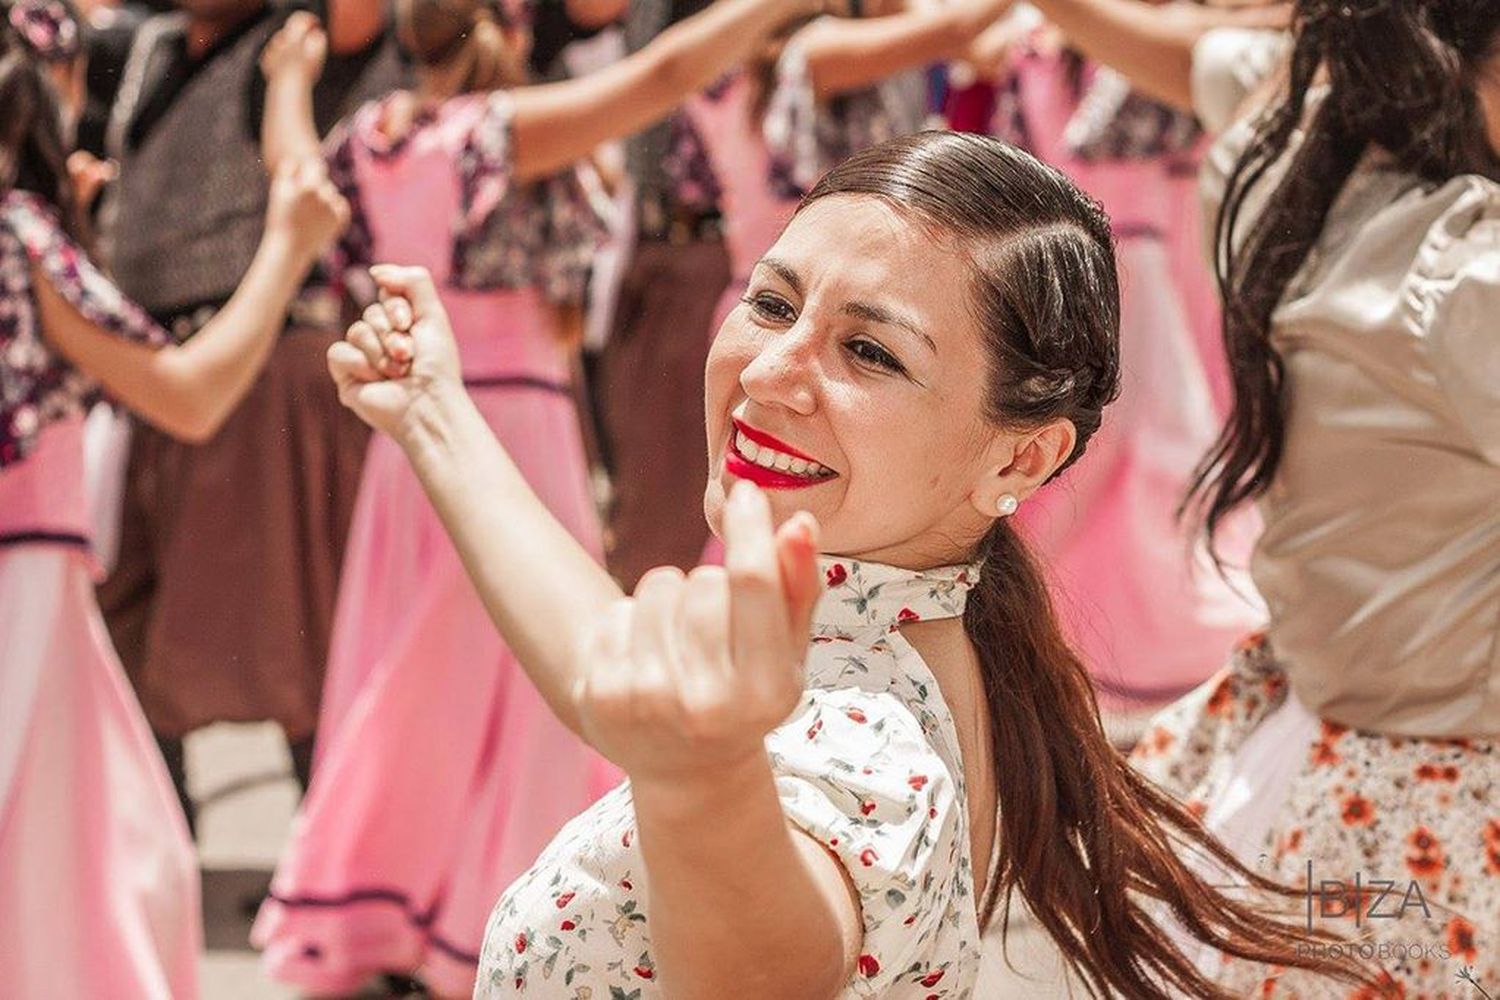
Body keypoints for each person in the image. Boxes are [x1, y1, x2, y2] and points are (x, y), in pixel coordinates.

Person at [330, 131, 1371, 999]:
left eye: (870, 352)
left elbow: (772, 971)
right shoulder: (891, 614)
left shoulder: (864, 743)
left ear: (1021, 454)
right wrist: (433, 412)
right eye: (774, 304)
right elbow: (608, 660)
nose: (771, 372)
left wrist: (703, 779)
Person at [250, 1, 853, 994]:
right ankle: (476, 905)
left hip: (415, 433)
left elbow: (295, 180)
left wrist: (284, 80)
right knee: (526, 675)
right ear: (511, 37)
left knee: (400, 677)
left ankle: (383, 898)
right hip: (516, 429)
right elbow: (662, 76)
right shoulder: (503, 133)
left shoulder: (377, 137)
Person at [1123, 0, 1500, 992]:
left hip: (1306, 750)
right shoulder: (1467, 275)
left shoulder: (1285, 149)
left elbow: (1200, 60)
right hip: (1445, 800)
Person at [0, 1, 347, 994]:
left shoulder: (275, 51)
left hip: (210, 389)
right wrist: (286, 247)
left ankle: (319, 884)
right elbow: (188, 393)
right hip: (140, 423)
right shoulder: (25, 235)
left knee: (282, 642)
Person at [93, 0, 401, 827]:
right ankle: (158, 842)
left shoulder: (299, 41)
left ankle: (333, 872)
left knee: (297, 631)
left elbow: (305, 181)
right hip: (157, 370)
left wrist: (295, 79)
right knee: (130, 621)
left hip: (265, 362)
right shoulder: (149, 47)